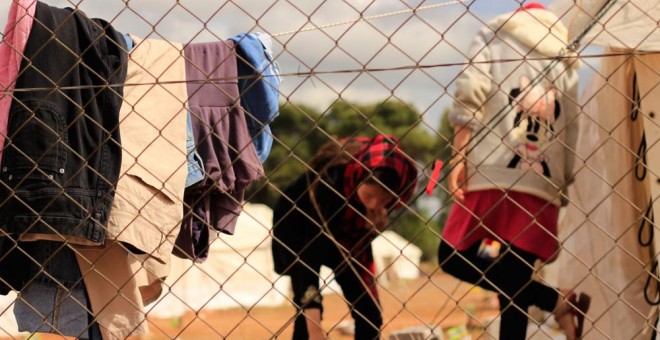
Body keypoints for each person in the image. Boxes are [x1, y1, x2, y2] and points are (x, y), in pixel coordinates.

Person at [438, 3, 590, 340]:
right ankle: (559, 303)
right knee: (514, 282)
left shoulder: (495, 31)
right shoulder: (566, 56)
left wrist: (458, 155)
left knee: (451, 255)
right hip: (542, 181)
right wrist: (559, 186)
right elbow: (572, 127)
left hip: (492, 167)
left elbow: (470, 89)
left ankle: (555, 301)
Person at [272, 134, 418, 340]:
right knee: (307, 315)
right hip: (298, 225)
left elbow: (359, 239)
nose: (375, 204)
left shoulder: (378, 201)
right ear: (359, 179)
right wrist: (315, 328)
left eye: (384, 199)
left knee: (370, 312)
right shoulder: (329, 184)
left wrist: (372, 228)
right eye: (369, 196)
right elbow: (308, 259)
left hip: (344, 237)